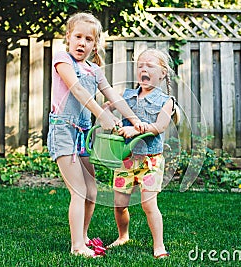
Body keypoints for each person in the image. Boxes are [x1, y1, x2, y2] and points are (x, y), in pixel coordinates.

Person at [47, 12, 144, 258]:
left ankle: (83, 236)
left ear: (95, 44)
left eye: (88, 39)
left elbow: (114, 96)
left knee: (91, 192)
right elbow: (77, 89)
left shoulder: (94, 70)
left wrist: (133, 119)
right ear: (68, 37)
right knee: (78, 191)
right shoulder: (62, 59)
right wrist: (102, 116)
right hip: (64, 131)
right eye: (78, 36)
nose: (82, 43)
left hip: (82, 135)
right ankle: (76, 246)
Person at [106, 48, 178, 259]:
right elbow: (106, 107)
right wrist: (109, 118)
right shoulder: (127, 96)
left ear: (163, 73)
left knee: (148, 204)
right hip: (126, 160)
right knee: (119, 204)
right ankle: (122, 236)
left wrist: (135, 128)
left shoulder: (166, 101)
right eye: (140, 66)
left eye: (149, 66)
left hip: (150, 161)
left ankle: (159, 245)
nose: (143, 69)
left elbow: (159, 127)